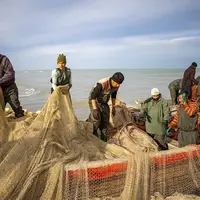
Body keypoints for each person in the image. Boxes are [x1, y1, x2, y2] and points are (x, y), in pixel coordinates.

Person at [88, 72, 124, 142]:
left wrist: (113, 107)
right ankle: (92, 136)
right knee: (97, 119)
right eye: (117, 83)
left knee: (105, 120)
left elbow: (113, 96)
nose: (118, 85)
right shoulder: (102, 83)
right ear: (113, 80)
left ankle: (103, 138)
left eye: (120, 84)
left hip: (103, 101)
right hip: (94, 100)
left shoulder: (117, 85)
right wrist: (95, 109)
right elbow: (93, 96)